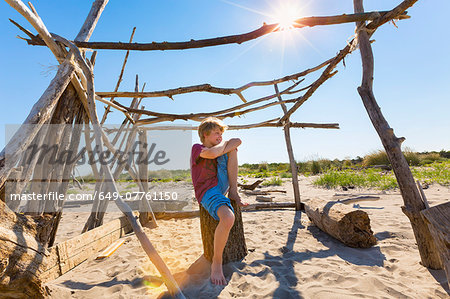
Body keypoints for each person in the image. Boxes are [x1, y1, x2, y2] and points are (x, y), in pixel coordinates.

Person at [190, 117, 247, 285]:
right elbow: (214, 153)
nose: (220, 136)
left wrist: (228, 143)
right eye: (216, 133)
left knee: (233, 149)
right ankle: (216, 262)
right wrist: (227, 144)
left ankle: (234, 193)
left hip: (221, 184)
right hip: (207, 190)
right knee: (228, 218)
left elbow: (238, 140)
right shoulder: (197, 148)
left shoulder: (221, 145)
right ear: (205, 134)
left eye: (222, 134)